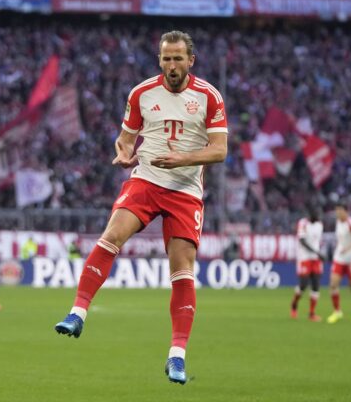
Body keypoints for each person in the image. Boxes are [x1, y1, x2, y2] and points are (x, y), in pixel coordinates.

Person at [53, 30, 228, 385]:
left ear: (190, 60)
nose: (172, 64)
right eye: (167, 58)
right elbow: (126, 137)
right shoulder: (142, 93)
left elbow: (219, 150)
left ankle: (176, 356)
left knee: (182, 268)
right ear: (159, 60)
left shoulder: (209, 96)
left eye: (179, 58)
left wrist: (183, 159)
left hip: (185, 191)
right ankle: (77, 313)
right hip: (146, 180)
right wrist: (121, 152)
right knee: (112, 234)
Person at [326, 202, 351, 324]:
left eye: (339, 210)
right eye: (336, 210)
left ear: (346, 211)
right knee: (333, 284)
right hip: (340, 257)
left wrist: (348, 247)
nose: (337, 213)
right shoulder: (338, 222)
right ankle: (337, 311)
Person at [290, 206, 324, 322]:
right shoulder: (303, 223)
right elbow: (302, 241)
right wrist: (317, 252)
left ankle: (312, 313)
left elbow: (317, 241)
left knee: (316, 285)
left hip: (316, 259)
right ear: (310, 213)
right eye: (316, 212)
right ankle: (294, 305)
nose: (318, 215)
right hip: (304, 258)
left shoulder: (320, 225)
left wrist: (318, 252)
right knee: (303, 284)